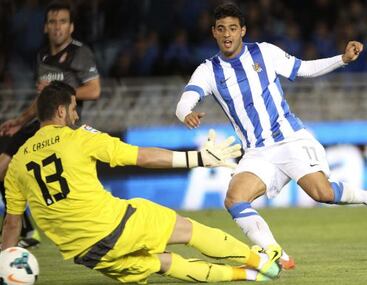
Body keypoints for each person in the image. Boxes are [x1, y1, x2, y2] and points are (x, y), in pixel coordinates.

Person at [176, 2, 367, 270]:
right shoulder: (208, 70)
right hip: (257, 152)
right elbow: (184, 102)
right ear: (213, 33)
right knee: (234, 199)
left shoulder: (264, 52)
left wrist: (342, 59)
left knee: (322, 193)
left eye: (232, 28)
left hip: (290, 140)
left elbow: (304, 69)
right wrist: (187, 114)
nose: (227, 34)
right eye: (221, 29)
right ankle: (274, 251)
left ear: (243, 30)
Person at [1, 81, 282, 283]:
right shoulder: (80, 138)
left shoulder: (17, 164)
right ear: (61, 112)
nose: (76, 115)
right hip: (116, 224)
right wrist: (197, 159)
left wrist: (4, 265)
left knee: (164, 264)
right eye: (74, 108)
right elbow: (143, 157)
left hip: (87, 253)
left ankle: (247, 275)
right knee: (189, 230)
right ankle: (261, 263)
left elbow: (12, 224)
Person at [0, 0, 100, 248]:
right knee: (2, 168)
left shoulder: (80, 52)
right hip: (37, 125)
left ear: (71, 27)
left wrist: (58, 90)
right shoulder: (42, 55)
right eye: (53, 22)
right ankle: (27, 230)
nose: (57, 27)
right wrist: (20, 121)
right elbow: (41, 99)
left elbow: (94, 90)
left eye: (63, 22)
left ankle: (94, 227)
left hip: (63, 128)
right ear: (45, 27)